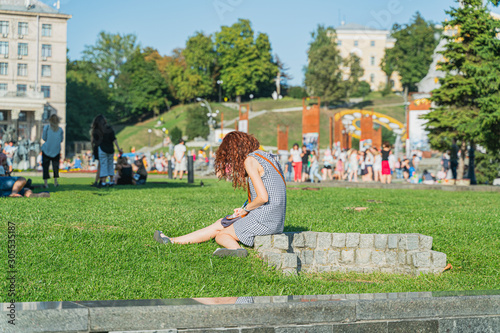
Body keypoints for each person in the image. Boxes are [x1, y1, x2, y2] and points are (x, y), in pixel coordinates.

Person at [154, 131, 287, 258]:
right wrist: (244, 209)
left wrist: (245, 210)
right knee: (221, 223)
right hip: (276, 220)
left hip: (264, 220)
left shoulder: (250, 160)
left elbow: (263, 197)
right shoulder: (267, 157)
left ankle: (238, 251)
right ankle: (171, 240)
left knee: (222, 235)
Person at [91, 115, 123, 188]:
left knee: (103, 165)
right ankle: (111, 181)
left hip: (102, 149)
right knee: (110, 165)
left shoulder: (97, 130)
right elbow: (114, 139)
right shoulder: (109, 129)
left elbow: (96, 142)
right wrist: (118, 148)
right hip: (110, 149)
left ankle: (104, 182)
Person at [41, 114, 64, 188]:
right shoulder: (60, 130)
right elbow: (61, 140)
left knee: (45, 167)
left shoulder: (46, 128)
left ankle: (46, 183)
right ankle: (55, 182)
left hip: (47, 150)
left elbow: (44, 138)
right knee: (55, 166)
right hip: (56, 150)